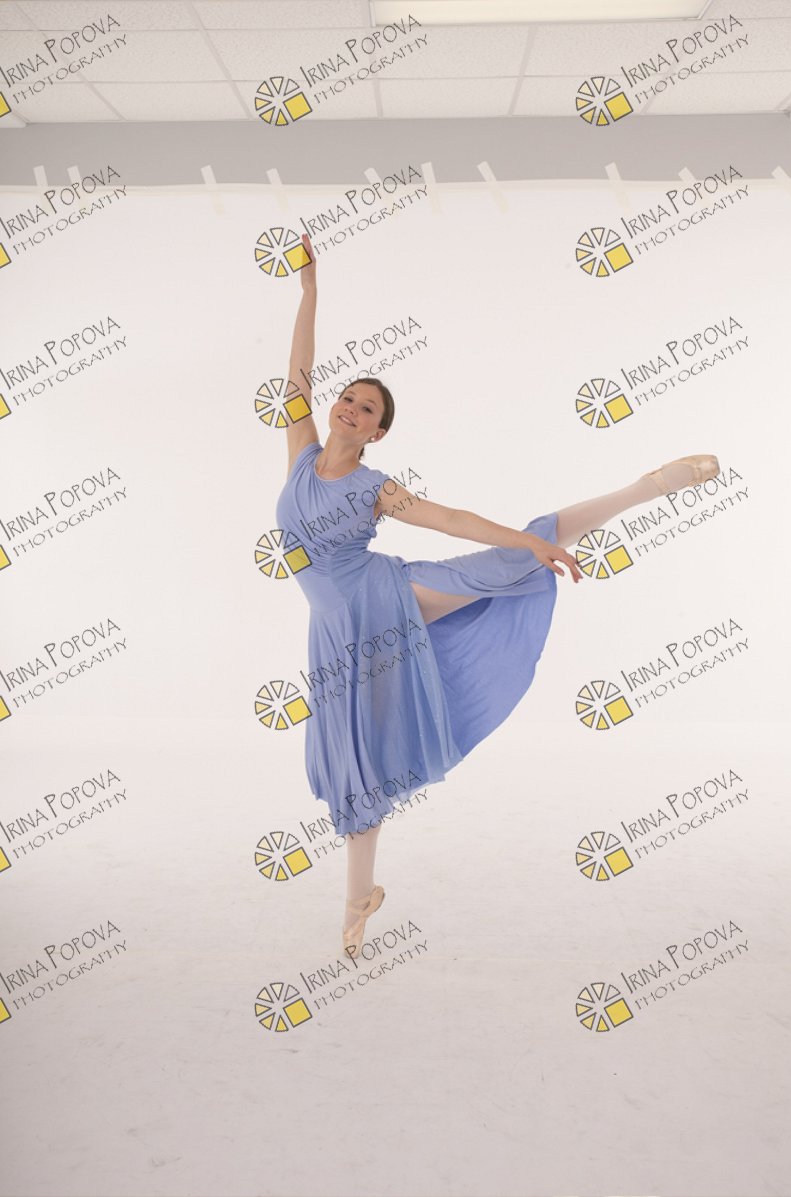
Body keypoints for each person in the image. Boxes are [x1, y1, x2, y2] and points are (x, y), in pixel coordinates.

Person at [274, 234, 718, 961]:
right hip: (334, 635)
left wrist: (524, 541)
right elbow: (295, 374)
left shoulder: (376, 488)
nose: (351, 408)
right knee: (362, 765)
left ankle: (644, 488)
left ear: (379, 432)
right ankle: (359, 898)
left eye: (367, 408)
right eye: (348, 398)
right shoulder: (299, 454)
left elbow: (451, 519)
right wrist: (309, 292)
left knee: (511, 562)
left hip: (385, 599)